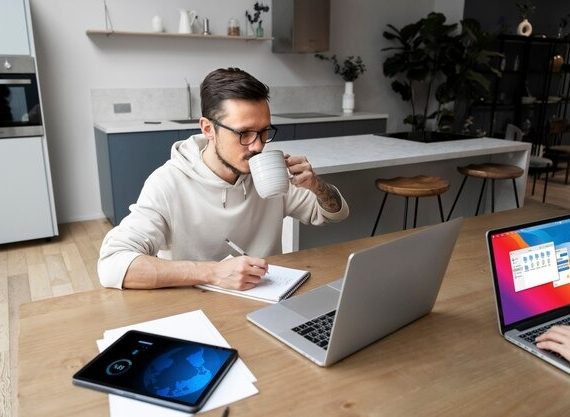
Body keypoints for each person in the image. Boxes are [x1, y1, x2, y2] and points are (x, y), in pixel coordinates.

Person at [98, 67, 349, 290]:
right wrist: (213, 272)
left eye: (264, 132)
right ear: (208, 129)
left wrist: (317, 186)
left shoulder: (268, 174)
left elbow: (333, 214)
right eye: (244, 133)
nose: (257, 146)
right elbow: (112, 264)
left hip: (267, 300)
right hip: (193, 308)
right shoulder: (168, 182)